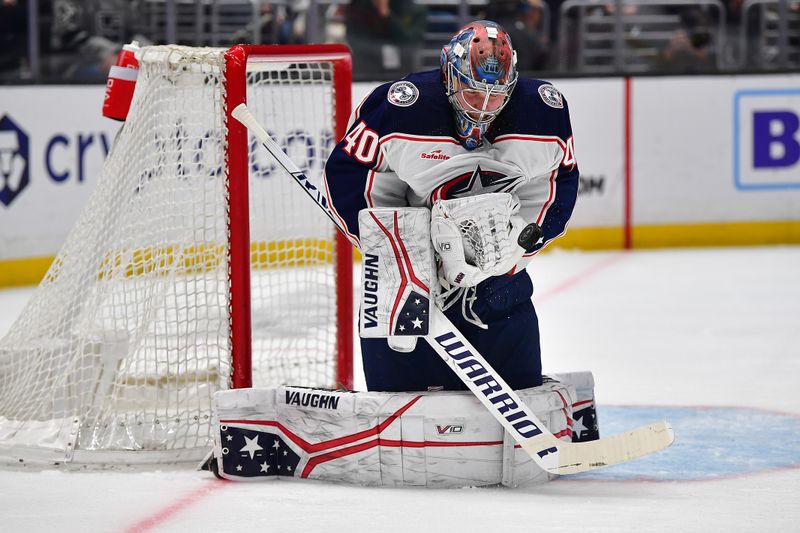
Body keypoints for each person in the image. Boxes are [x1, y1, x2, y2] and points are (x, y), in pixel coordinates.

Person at [324, 20, 579, 393]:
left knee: (516, 380)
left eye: (496, 96)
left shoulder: (543, 113)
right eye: (473, 94)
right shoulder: (402, 107)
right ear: (448, 74)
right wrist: (408, 253)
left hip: (498, 284)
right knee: (398, 398)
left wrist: (514, 251)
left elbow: (558, 185)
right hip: (405, 286)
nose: (484, 108)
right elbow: (349, 179)